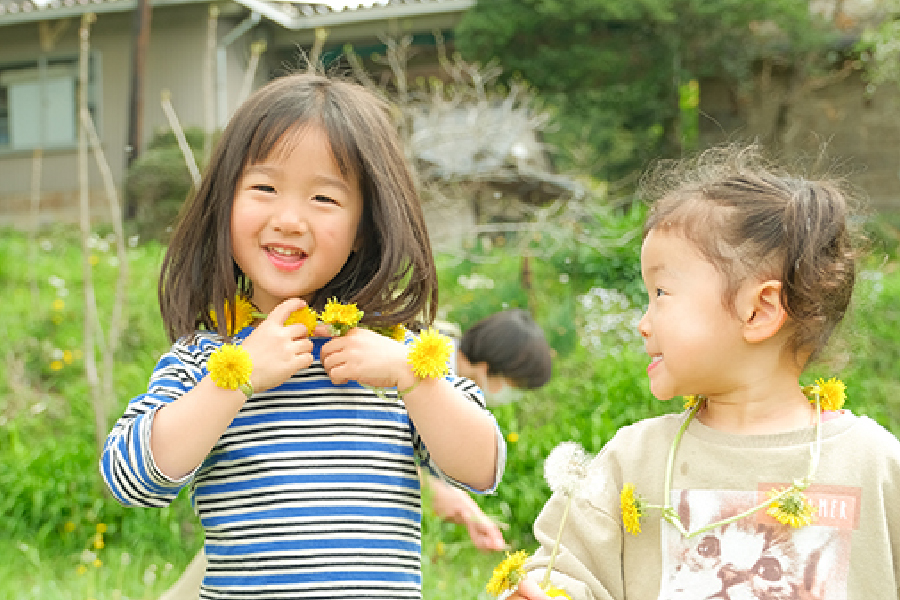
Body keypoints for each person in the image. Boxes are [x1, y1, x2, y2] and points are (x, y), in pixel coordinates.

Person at [99, 71, 504, 600]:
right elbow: (130, 478)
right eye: (264, 188)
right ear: (225, 206)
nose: (289, 218)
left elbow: (482, 467)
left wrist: (413, 377)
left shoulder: (397, 356)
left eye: (324, 199)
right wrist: (236, 378)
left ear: (365, 230)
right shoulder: (208, 359)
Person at [508, 144, 900, 600]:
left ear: (759, 311)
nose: (643, 321)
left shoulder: (875, 466)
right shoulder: (633, 461)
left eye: (661, 292)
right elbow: (566, 575)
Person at [426, 309, 553, 551]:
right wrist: (433, 489)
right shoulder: (426, 365)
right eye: (516, 385)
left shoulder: (455, 382)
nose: (512, 395)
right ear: (487, 368)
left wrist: (468, 510)